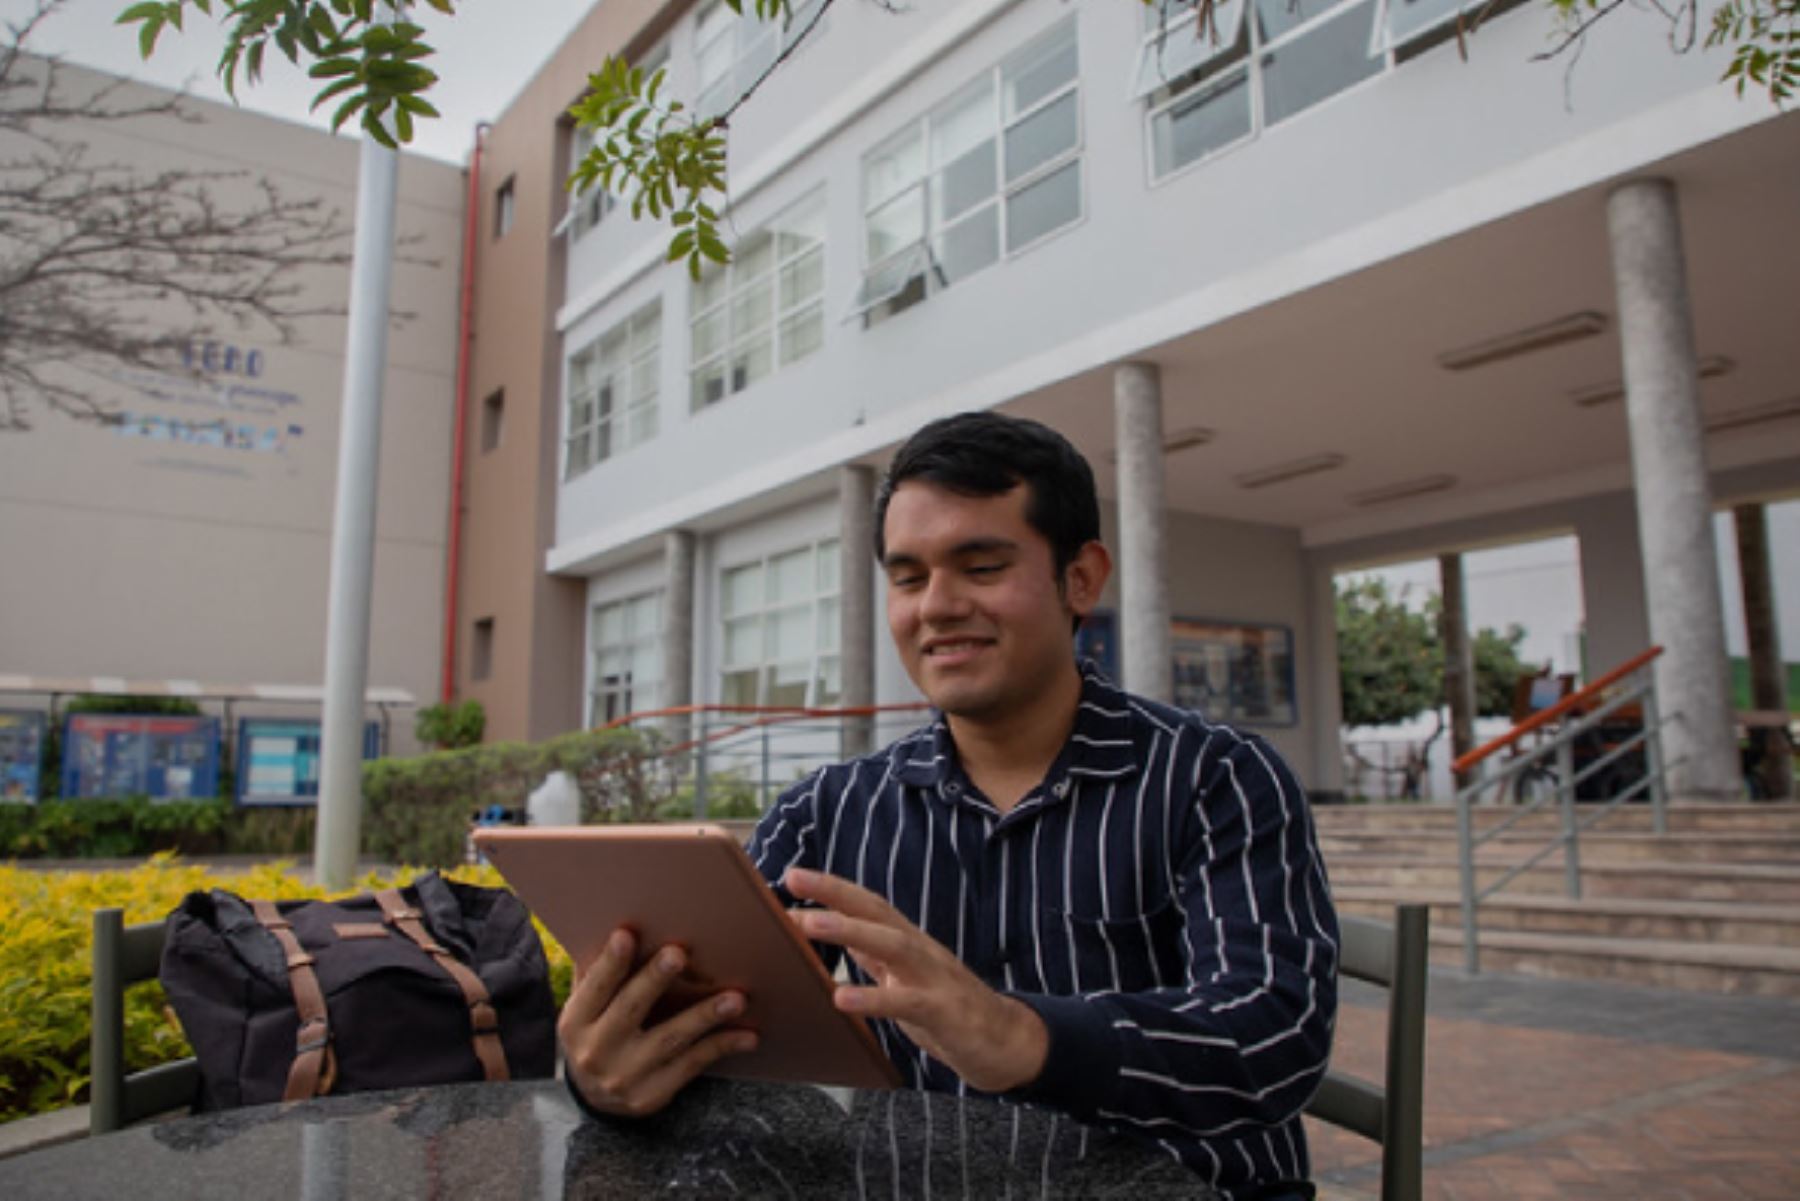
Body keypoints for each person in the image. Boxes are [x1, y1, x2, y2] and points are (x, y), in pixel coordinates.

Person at [559, 412, 1339, 1200]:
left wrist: (1021, 1037)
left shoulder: (1216, 777)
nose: (936, 605)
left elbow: (1275, 1031)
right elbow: (726, 1039)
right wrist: (608, 1073)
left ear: (1081, 577)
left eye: (982, 565)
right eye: (908, 576)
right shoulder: (827, 815)